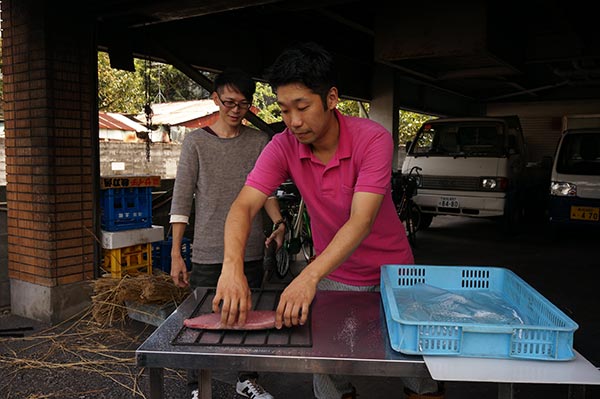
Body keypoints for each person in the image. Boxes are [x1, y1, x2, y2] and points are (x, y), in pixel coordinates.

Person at [213, 43, 445, 399]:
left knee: (416, 369)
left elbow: (360, 221)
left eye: (302, 107)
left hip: (394, 275)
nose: (293, 121)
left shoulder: (372, 139)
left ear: (332, 98)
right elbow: (244, 206)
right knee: (327, 369)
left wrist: (307, 276)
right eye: (284, 109)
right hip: (332, 276)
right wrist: (231, 268)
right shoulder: (283, 145)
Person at [169, 67, 285, 399]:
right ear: (215, 98)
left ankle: (246, 378)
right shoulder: (195, 142)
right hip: (207, 250)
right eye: (229, 102)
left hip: (250, 248)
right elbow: (181, 198)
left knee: (249, 319)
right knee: (201, 321)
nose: (235, 110)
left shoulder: (259, 141)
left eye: (243, 104)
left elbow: (268, 193)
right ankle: (197, 385)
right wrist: (178, 252)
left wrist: (278, 223)